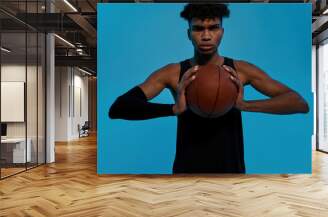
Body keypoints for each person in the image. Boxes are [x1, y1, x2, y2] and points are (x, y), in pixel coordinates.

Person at [108, 3, 309, 174]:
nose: (206, 36)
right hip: (187, 172)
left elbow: (298, 103)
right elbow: (118, 108)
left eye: (213, 28)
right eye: (198, 29)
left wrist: (245, 105)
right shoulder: (172, 73)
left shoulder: (240, 70)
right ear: (189, 34)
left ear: (222, 32)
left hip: (232, 172)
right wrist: (173, 109)